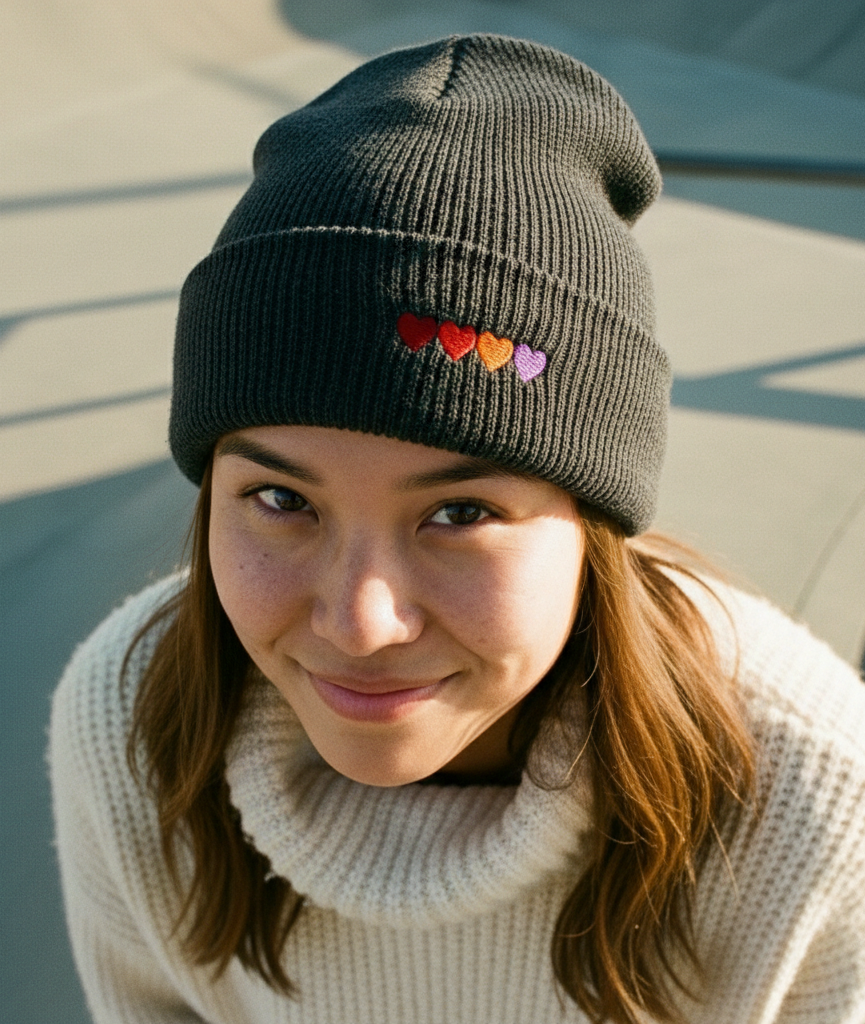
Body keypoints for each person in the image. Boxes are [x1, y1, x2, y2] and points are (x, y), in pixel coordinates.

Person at [49, 34, 865, 1024]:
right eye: (280, 499)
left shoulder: (805, 789)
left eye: (460, 512)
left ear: (592, 525)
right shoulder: (130, 723)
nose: (359, 622)